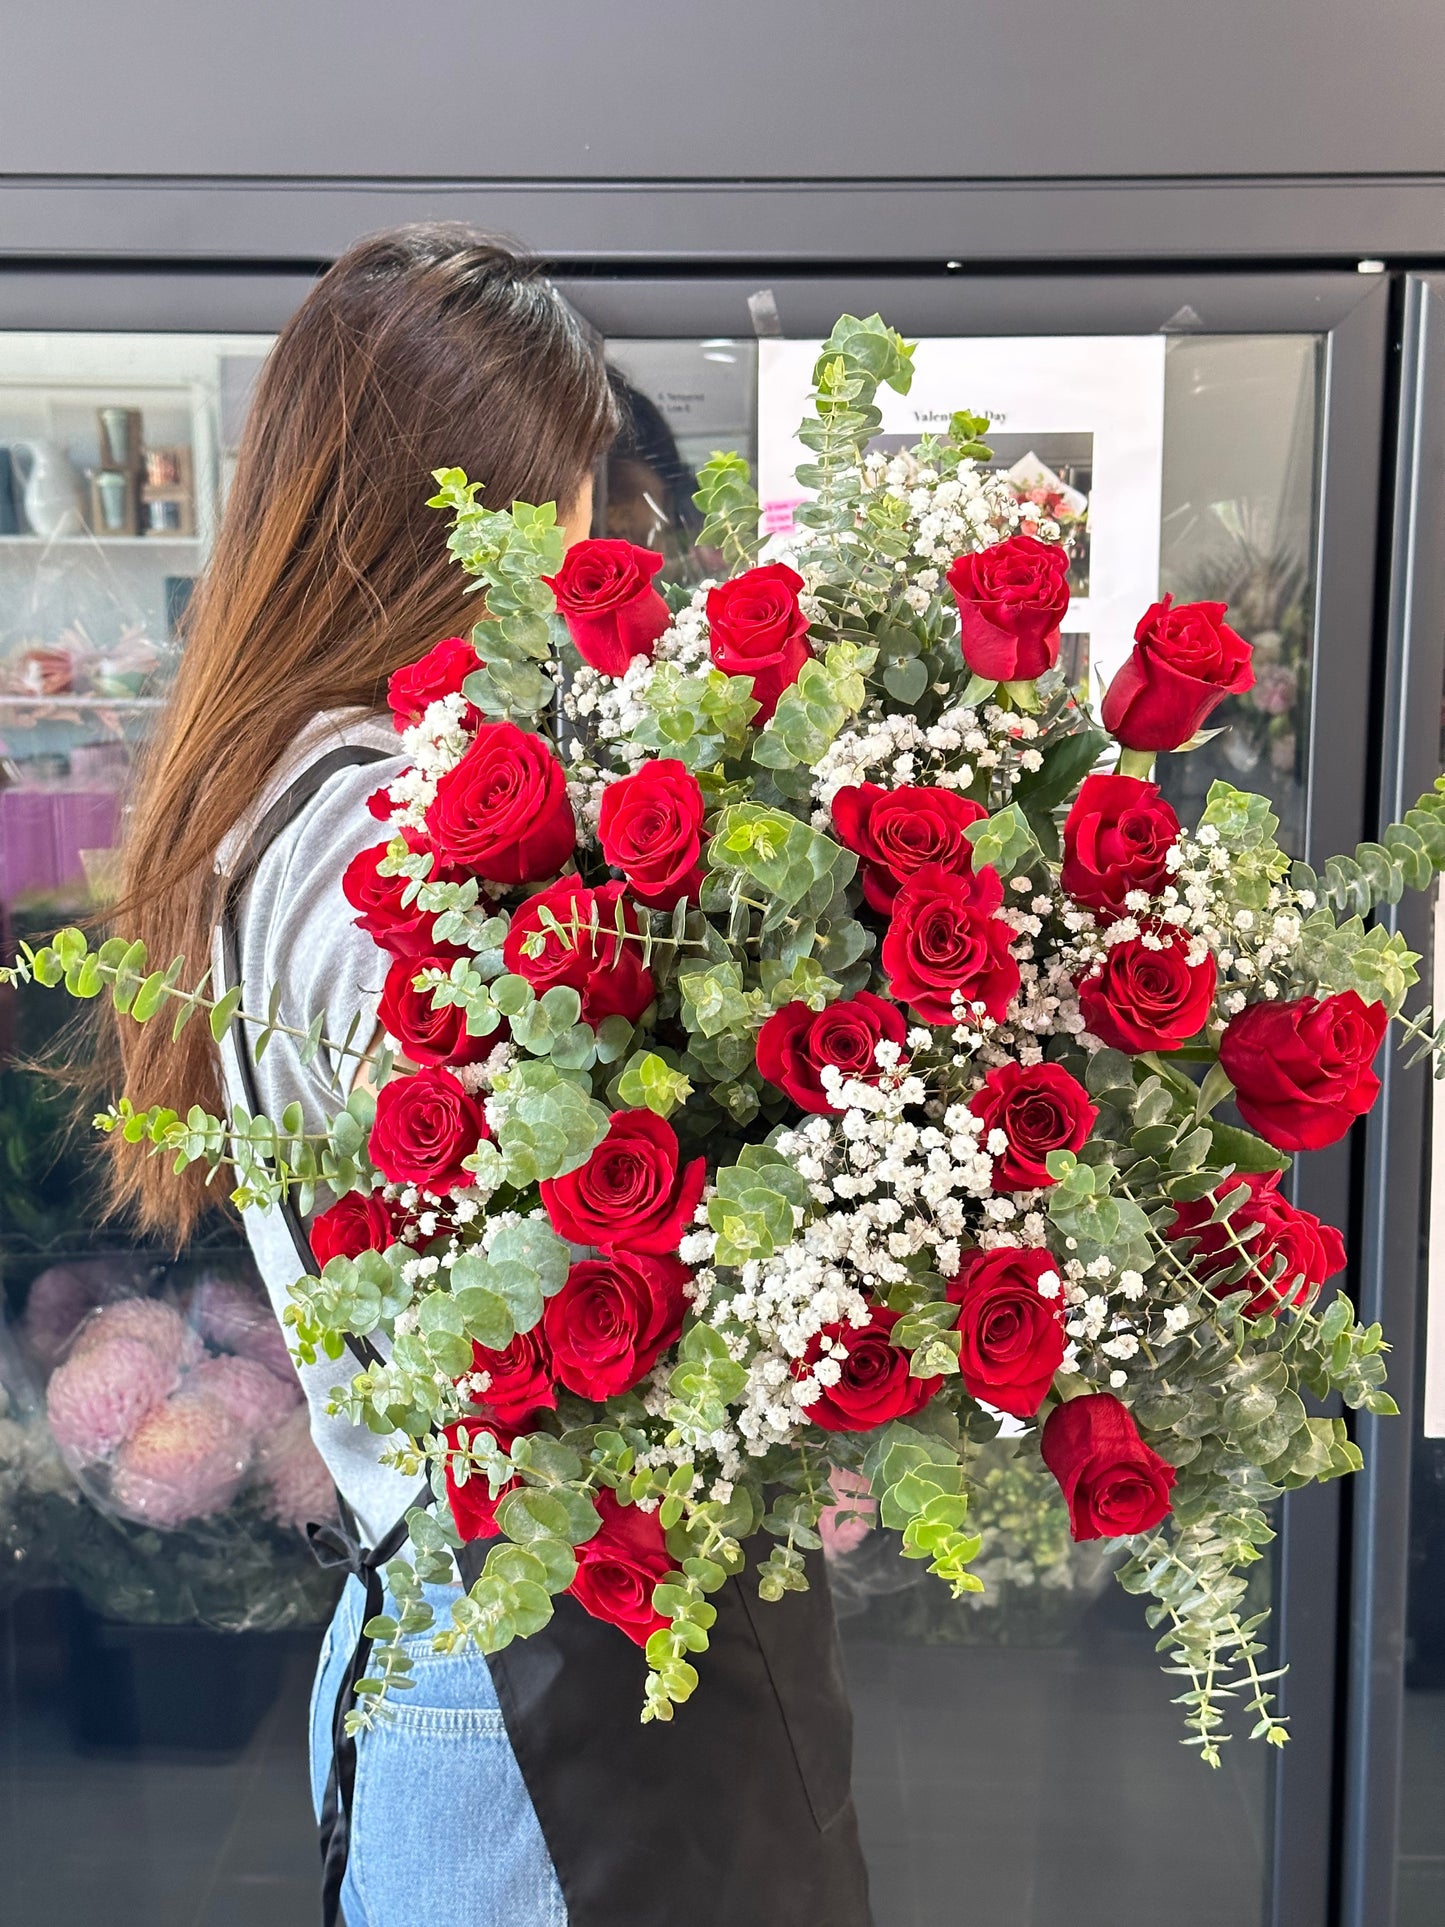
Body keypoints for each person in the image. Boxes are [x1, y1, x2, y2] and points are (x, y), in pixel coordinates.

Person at [108, 224, 871, 1927]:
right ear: (460, 509)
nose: (599, 552)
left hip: (487, 1665)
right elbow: (531, 1276)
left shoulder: (294, 795)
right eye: (579, 496)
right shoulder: (383, 823)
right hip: (533, 1702)